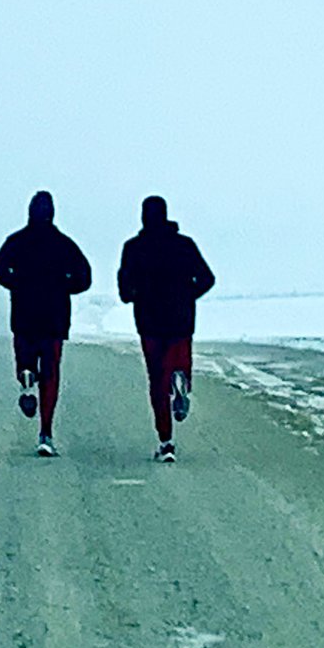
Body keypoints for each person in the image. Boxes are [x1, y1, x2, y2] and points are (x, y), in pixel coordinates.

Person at [0, 191, 92, 457]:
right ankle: (45, 432)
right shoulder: (64, 244)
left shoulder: (16, 241)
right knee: (50, 375)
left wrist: (15, 283)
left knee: (25, 358)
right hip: (54, 317)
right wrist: (65, 287)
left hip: (23, 314)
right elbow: (85, 277)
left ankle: (25, 377)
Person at [117, 195, 215, 462]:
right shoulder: (184, 245)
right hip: (181, 317)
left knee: (156, 380)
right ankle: (181, 379)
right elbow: (207, 278)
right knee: (179, 358)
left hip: (149, 320)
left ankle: (166, 441)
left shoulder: (133, 248)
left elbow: (124, 290)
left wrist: (135, 294)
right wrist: (188, 295)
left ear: (143, 217)